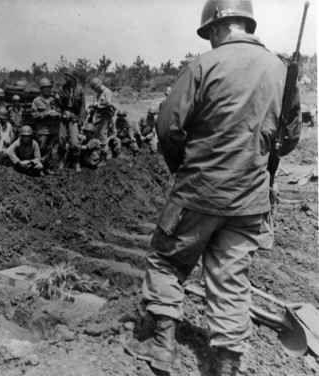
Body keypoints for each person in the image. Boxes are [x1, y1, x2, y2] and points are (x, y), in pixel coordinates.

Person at [125, 1, 301, 375]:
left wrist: (182, 168)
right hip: (250, 200)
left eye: (209, 35)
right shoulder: (282, 71)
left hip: (199, 191)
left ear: (218, 28)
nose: (209, 41)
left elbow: (167, 127)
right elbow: (290, 138)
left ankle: (162, 346)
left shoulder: (203, 66)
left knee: (167, 261)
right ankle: (226, 363)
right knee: (231, 278)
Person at [56, 68, 85, 172]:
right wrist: (58, 102)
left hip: (74, 117)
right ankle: (61, 162)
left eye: (67, 76)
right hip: (63, 116)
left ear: (72, 78)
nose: (65, 78)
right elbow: (59, 106)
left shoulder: (80, 90)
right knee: (61, 139)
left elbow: (82, 107)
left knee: (74, 142)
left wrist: (81, 122)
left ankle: (77, 163)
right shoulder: (61, 89)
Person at [32, 78, 61, 174]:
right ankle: (40, 168)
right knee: (41, 149)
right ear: (41, 89)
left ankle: (49, 168)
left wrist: (57, 114)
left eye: (49, 88)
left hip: (53, 129)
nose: (48, 90)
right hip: (42, 129)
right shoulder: (37, 101)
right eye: (45, 88)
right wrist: (46, 114)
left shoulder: (55, 100)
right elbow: (35, 115)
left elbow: (61, 112)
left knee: (51, 150)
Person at [88, 77, 115, 167]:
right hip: (98, 119)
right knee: (97, 137)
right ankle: (97, 157)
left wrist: (98, 105)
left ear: (99, 86)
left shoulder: (107, 92)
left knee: (103, 138)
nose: (95, 91)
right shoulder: (99, 94)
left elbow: (109, 103)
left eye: (95, 89)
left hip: (104, 119)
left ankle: (103, 160)